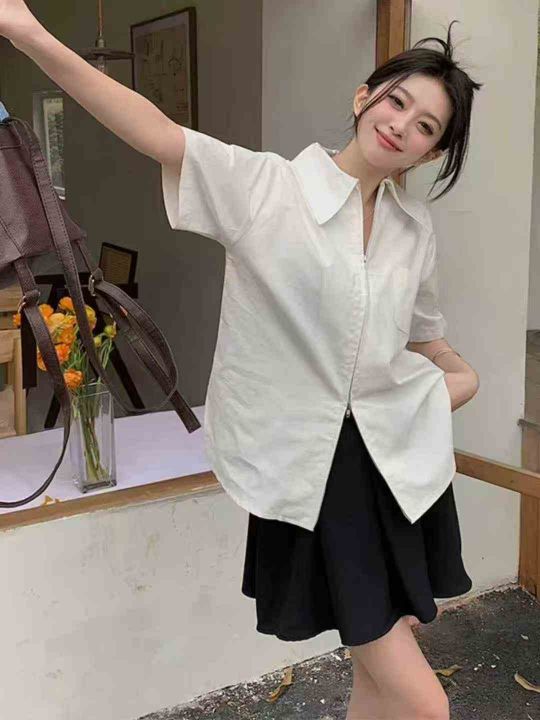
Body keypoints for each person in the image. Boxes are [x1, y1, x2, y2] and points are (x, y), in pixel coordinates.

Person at [0, 3, 482, 718]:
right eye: (397, 101)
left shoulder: (414, 232)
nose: (402, 125)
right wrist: (27, 32)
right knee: (425, 705)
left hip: (397, 468)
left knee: (378, 680)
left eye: (426, 127)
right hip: (318, 477)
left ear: (430, 155)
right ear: (364, 97)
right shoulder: (265, 189)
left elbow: (423, 337)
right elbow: (152, 129)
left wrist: (460, 375)